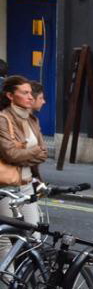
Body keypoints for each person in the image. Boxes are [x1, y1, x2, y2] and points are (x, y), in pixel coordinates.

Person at [0, 76, 48, 259]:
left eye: (30, 93)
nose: (30, 97)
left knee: (34, 237)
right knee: (6, 238)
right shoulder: (3, 119)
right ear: (11, 96)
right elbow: (10, 154)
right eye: (25, 93)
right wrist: (32, 152)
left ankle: (23, 282)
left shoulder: (32, 120)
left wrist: (26, 153)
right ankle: (11, 282)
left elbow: (43, 153)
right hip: (7, 186)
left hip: (28, 186)